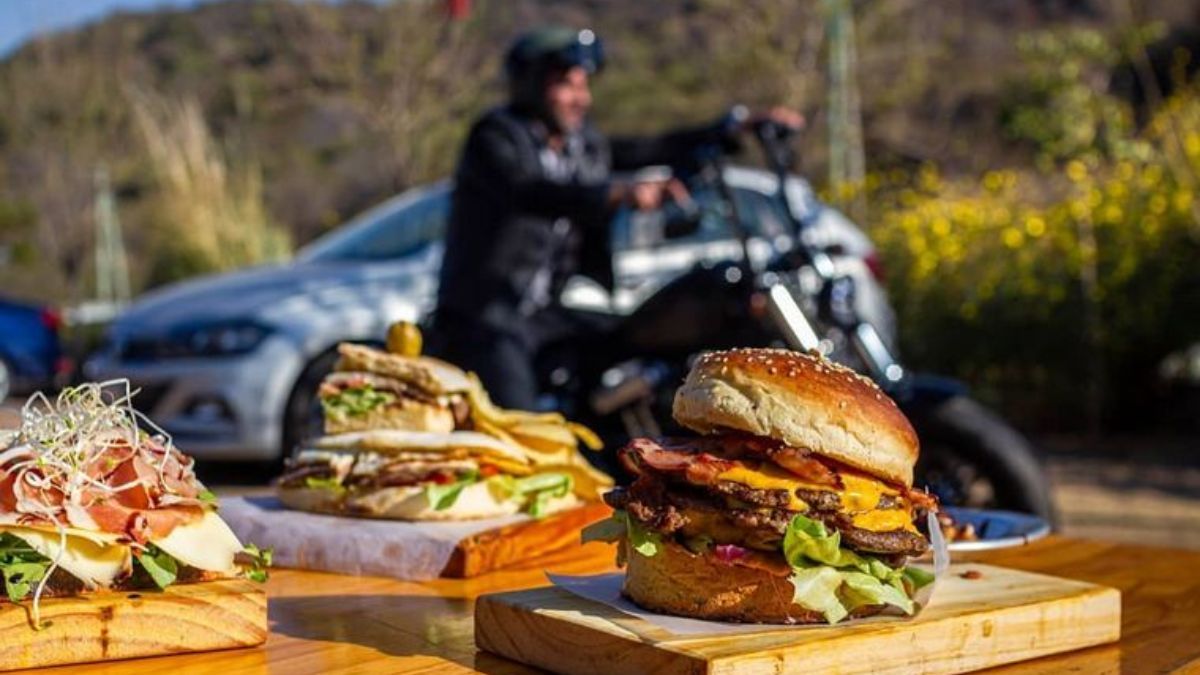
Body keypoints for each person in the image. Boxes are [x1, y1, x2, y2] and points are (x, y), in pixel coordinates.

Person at [428, 26, 802, 409]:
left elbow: (651, 147)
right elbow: (530, 190)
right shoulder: (496, 137)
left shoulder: (582, 144)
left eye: (583, 85)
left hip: (547, 314)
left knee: (641, 340)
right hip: (486, 317)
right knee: (521, 428)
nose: (581, 98)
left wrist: (730, 129)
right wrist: (618, 192)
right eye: (566, 85)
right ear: (530, 85)